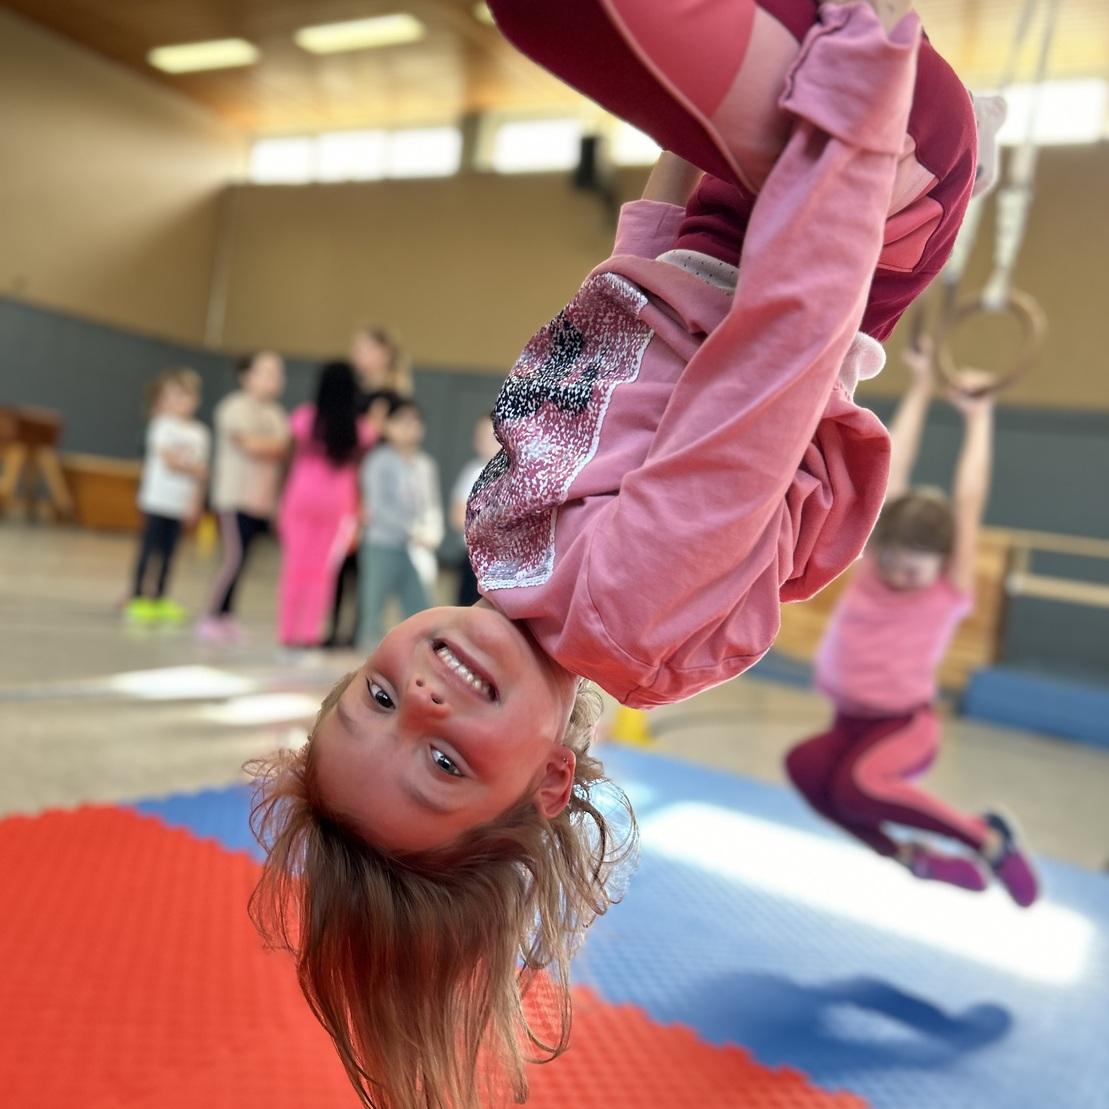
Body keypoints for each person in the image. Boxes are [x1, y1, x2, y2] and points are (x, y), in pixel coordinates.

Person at [248, 3, 982, 1106]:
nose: (429, 693)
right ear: (548, 782)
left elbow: (628, 287)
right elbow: (785, 347)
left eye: (377, 695)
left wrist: (676, 130)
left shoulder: (504, 546)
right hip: (849, 184)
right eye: (446, 760)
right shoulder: (627, 610)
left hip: (749, 192)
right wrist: (863, 89)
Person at [785, 342, 1038, 906]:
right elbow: (888, 470)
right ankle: (909, 858)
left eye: (913, 563)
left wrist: (979, 418)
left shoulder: (949, 587)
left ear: (941, 561)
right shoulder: (873, 565)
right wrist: (920, 387)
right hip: (849, 722)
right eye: (892, 555)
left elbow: (969, 501)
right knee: (805, 769)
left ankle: (989, 841)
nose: (899, 569)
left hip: (903, 728)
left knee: (861, 786)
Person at [277, 362, 376, 648]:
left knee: (295, 567)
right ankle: (309, 634)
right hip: (338, 503)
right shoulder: (361, 429)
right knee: (322, 572)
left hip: (300, 497)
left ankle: (287, 633)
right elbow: (361, 464)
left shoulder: (304, 418)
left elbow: (289, 454)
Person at [324, 327, 411, 647]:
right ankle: (333, 628)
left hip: (376, 489)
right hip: (347, 484)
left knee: (366, 566)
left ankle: (360, 628)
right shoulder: (350, 395)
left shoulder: (394, 398)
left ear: (383, 354)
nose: (355, 354)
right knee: (339, 562)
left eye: (363, 348)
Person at [198, 352, 289, 644]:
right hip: (233, 498)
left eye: (277, 373)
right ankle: (211, 615)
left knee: (244, 560)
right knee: (232, 558)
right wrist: (269, 446)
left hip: (260, 502)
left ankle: (226, 616)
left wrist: (271, 446)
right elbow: (250, 444)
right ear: (246, 376)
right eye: (266, 372)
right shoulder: (233, 407)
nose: (273, 379)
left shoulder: (276, 414)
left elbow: (284, 448)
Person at [126, 369, 209, 625]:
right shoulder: (161, 425)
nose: (177, 403)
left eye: (183, 396)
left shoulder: (200, 433)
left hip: (179, 504)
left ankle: (160, 597)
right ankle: (138, 595)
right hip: (156, 501)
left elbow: (202, 473)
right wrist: (192, 467)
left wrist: (195, 502)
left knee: (170, 554)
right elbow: (170, 460)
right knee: (148, 550)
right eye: (171, 397)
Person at [356, 399, 433, 647]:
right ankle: (366, 668)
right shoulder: (378, 460)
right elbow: (376, 508)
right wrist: (411, 530)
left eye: (414, 422)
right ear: (387, 426)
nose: (408, 427)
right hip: (382, 544)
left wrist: (432, 531)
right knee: (374, 609)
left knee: (420, 611)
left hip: (416, 548)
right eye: (401, 421)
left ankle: (413, 660)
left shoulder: (425, 464)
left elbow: (431, 505)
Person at [450, 416, 500, 606]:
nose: (487, 442)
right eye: (481, 437)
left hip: (502, 561)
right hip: (475, 558)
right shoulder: (474, 472)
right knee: (468, 609)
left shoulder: (515, 473)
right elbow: (457, 516)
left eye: (492, 436)